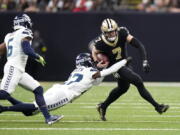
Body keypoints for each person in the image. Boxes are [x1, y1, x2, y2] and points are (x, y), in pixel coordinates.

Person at [0, 53, 131, 116]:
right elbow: (110, 71)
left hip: (58, 88)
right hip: (64, 94)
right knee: (34, 107)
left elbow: (96, 81)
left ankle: (8, 99)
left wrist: (99, 67)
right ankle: (3, 109)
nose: (93, 61)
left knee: (30, 112)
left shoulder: (78, 70)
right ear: (87, 61)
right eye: (91, 60)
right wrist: (125, 60)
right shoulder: (91, 71)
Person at [89, 18, 169, 121]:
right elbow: (94, 51)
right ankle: (158, 106)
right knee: (138, 81)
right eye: (109, 32)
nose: (112, 34)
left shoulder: (122, 33)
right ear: (104, 33)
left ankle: (103, 106)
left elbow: (139, 45)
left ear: (116, 29)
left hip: (124, 63)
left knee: (123, 88)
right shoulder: (100, 42)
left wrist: (144, 60)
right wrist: (97, 62)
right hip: (115, 67)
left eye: (113, 31)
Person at [0, 14, 62, 124]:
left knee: (38, 89)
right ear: (25, 22)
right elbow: (26, 49)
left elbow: (1, 49)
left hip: (18, 69)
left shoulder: (9, 35)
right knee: (4, 94)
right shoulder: (25, 32)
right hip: (14, 67)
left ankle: (48, 118)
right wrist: (38, 56)